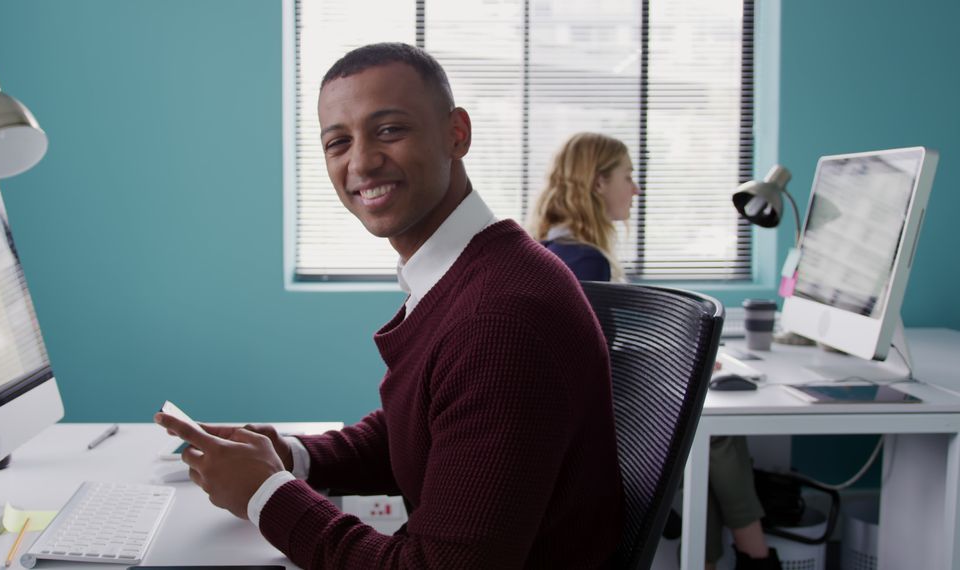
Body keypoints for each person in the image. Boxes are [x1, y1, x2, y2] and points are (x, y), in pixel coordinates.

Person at [155, 43, 624, 568]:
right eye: (338, 142)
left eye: (389, 130)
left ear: (457, 134)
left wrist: (267, 496)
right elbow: (430, 432)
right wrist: (293, 456)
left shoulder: (500, 319)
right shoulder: (470, 271)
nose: (361, 161)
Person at [529, 132, 782, 570]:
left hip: (567, 423)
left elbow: (590, 345)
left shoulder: (549, 247)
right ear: (598, 183)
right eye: (628, 177)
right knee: (714, 431)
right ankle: (756, 556)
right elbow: (588, 360)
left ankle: (722, 558)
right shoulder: (587, 260)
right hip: (589, 430)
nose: (637, 189)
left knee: (705, 433)